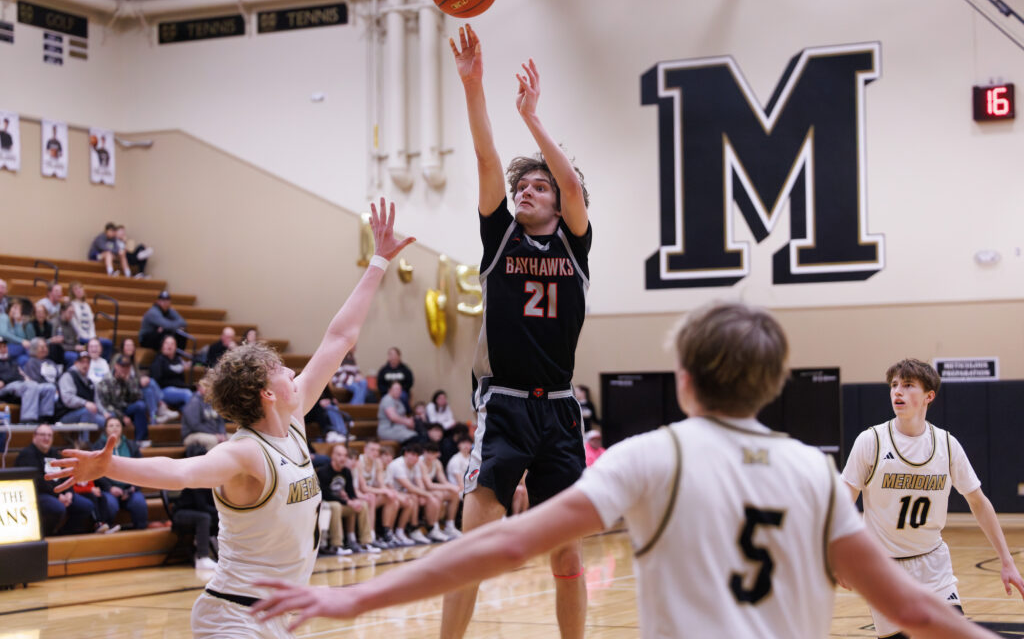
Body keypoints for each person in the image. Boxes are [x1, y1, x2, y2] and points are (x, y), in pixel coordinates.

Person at [249, 303, 999, 639]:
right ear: (773, 386)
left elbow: (506, 545)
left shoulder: (653, 456)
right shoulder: (811, 469)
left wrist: (360, 601)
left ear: (682, 380)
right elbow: (914, 611)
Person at [47, 198, 413, 638]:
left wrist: (378, 261)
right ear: (266, 394)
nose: (293, 372)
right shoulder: (243, 455)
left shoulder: (293, 418)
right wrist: (111, 466)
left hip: (279, 613)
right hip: (234, 617)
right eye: (281, 370)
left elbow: (339, 337)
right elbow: (178, 470)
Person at [440, 23, 594, 638]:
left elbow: (575, 184)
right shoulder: (500, 235)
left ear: (558, 201)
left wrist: (533, 119)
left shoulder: (576, 244)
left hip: (559, 410)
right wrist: (474, 84)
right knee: (470, 548)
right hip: (503, 405)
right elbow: (484, 158)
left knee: (568, 554)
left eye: (539, 187)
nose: (526, 191)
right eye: (521, 187)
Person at [841, 358, 1024, 639]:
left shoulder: (947, 445)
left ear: (929, 396)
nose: (897, 392)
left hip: (933, 564)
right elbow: (842, 502)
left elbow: (978, 502)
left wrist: (1006, 560)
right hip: (885, 569)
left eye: (908, 385)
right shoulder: (872, 441)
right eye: (893, 385)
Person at [17, 424, 93, 536]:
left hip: (59, 493)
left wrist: (69, 492)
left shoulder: (54, 453)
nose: (46, 438)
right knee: (57, 507)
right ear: (34, 437)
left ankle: (65, 534)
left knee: (86, 506)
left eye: (49, 435)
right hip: (37, 495)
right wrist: (58, 496)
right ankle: (48, 535)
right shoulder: (27, 455)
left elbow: (66, 475)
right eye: (42, 435)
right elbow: (38, 482)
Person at [317, 445, 379, 555]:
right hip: (326, 504)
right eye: (339, 455)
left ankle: (366, 542)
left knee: (363, 505)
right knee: (335, 505)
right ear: (332, 456)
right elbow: (326, 495)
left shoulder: (346, 471)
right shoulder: (323, 471)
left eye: (345, 455)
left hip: (342, 503)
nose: (342, 458)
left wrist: (354, 501)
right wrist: (348, 502)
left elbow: (351, 493)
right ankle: (336, 545)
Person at [93, 416, 149, 530]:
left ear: (122, 428)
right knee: (110, 505)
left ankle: (141, 534)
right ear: (105, 429)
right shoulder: (98, 446)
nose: (115, 428)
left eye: (118, 425)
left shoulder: (131, 445)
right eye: (111, 426)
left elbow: (141, 467)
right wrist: (109, 488)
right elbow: (96, 471)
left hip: (130, 489)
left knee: (140, 504)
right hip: (108, 489)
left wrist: (134, 487)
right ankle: (107, 532)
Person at [385, 443, 448, 544]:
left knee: (432, 499)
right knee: (414, 498)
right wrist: (427, 494)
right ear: (406, 453)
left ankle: (432, 528)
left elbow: (419, 484)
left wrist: (424, 495)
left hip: (404, 492)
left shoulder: (416, 465)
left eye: (417, 456)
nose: (415, 458)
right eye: (413, 455)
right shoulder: (398, 465)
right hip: (395, 492)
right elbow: (409, 487)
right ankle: (412, 528)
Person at [355, 439, 404, 550]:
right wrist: (384, 491)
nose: (375, 453)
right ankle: (371, 536)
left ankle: (387, 533)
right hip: (358, 495)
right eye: (372, 450)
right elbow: (363, 488)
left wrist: (388, 491)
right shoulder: (359, 462)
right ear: (365, 450)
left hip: (370, 495)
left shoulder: (377, 462)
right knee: (373, 497)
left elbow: (381, 483)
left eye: (377, 450)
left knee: (392, 499)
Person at [95, 355, 152, 444]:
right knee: (111, 415)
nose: (125, 369)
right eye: (122, 366)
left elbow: (137, 397)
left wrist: (128, 383)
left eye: (127, 367)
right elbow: (106, 405)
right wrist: (122, 417)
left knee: (140, 405)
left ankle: (140, 440)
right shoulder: (106, 381)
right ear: (116, 366)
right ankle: (110, 443)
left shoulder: (130, 379)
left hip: (126, 408)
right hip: (112, 410)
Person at [0, 337, 57, 423]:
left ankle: (44, 420)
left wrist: (24, 378)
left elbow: (20, 375)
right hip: (6, 387)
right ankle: (27, 421)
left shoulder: (12, 361)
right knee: (31, 385)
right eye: (0, 347)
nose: (3, 349)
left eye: (4, 346)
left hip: (19, 385)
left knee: (49, 387)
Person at [419, 442, 461, 539]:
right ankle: (433, 528)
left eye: (432, 453)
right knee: (438, 495)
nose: (429, 456)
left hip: (428, 490)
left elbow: (443, 481)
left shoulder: (437, 463)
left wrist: (453, 487)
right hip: (420, 490)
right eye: (427, 452)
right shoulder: (420, 462)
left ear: (437, 454)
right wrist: (450, 487)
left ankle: (449, 526)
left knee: (454, 494)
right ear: (424, 452)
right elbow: (428, 485)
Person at [68, 282, 113, 360]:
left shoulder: (86, 305)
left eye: (80, 288)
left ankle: (104, 364)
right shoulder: (72, 305)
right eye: (76, 289)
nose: (79, 290)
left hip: (91, 336)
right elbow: (75, 325)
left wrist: (93, 336)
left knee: (108, 343)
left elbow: (91, 323)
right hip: (81, 337)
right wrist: (87, 337)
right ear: (72, 292)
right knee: (97, 344)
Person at [150, 333, 193, 409]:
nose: (169, 346)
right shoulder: (158, 360)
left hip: (179, 390)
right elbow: (157, 380)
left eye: (172, 344)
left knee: (187, 406)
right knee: (187, 394)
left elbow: (181, 380)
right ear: (162, 346)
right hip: (164, 391)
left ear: (176, 347)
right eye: (167, 343)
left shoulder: (178, 360)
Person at [181, 381, 226, 452]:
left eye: (210, 386)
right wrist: (215, 434)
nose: (208, 389)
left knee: (234, 439)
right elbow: (195, 425)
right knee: (213, 440)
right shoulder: (194, 402)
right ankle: (214, 462)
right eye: (205, 386)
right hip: (191, 435)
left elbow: (220, 422)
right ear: (198, 388)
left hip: (213, 434)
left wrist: (222, 433)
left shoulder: (213, 401)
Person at [0, 300, 32, 366]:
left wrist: (18, 322)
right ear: (9, 308)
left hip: (14, 349)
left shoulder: (15, 323)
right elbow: (4, 333)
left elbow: (22, 337)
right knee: (27, 348)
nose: (16, 311)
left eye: (19, 309)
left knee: (24, 359)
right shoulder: (4, 317)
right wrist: (22, 341)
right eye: (14, 307)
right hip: (4, 347)